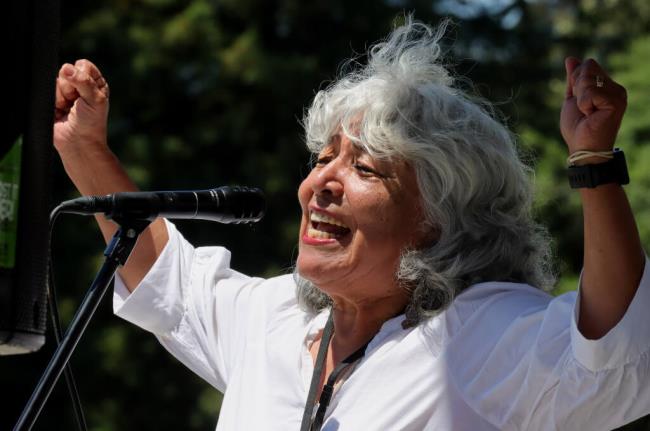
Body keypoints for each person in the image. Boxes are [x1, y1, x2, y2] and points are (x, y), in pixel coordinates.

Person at [53, 18, 650, 431]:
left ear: (437, 218)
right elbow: (165, 276)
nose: (320, 184)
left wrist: (593, 164)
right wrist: (84, 147)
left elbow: (612, 353)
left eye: (365, 167)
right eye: (320, 159)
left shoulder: (477, 333)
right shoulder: (277, 319)